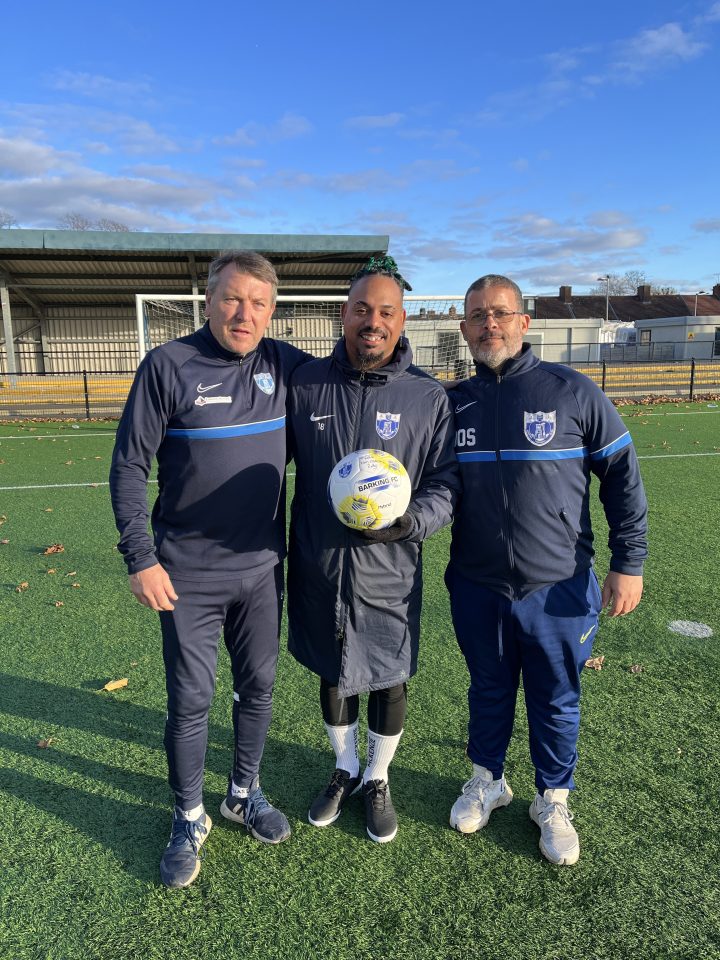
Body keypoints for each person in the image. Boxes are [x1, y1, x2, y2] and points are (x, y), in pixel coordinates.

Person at [110, 251, 310, 888]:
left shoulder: (284, 365)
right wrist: (141, 558)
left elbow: (359, 373)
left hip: (261, 571)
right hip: (187, 573)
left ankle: (243, 794)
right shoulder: (167, 366)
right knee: (190, 700)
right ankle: (188, 815)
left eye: (258, 302)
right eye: (231, 298)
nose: (243, 313)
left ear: (272, 310)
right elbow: (128, 469)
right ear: (208, 299)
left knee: (258, 690)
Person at [446, 273, 648, 865]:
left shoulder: (573, 391)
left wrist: (627, 563)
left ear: (524, 322)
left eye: (501, 313)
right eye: (478, 315)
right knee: (487, 686)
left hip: (559, 584)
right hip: (477, 582)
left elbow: (623, 481)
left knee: (557, 696)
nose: (490, 324)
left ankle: (552, 799)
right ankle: (488, 779)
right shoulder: (452, 401)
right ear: (463, 328)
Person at [286, 256, 459, 843]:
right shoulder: (307, 384)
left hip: (390, 569)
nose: (373, 321)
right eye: (362, 309)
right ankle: (344, 767)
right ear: (344, 314)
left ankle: (378, 776)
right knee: (333, 672)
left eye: (386, 312)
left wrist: (411, 523)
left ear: (402, 319)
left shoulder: (427, 396)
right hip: (320, 563)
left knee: (388, 676)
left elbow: (446, 483)